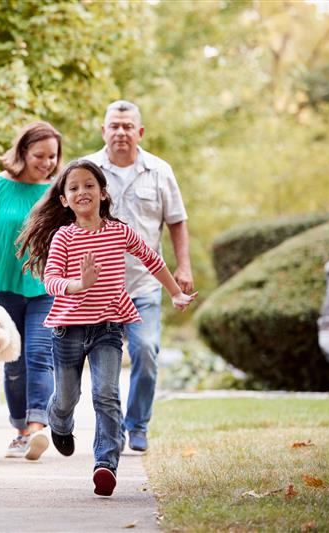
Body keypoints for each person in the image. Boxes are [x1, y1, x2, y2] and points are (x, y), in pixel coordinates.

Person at [16, 159, 196, 496]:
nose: (82, 191)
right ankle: (59, 423)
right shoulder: (63, 237)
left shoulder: (119, 231)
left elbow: (152, 259)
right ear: (64, 200)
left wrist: (175, 293)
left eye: (89, 185)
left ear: (102, 192)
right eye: (74, 188)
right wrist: (78, 284)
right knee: (67, 397)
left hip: (108, 328)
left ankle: (105, 464)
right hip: (68, 329)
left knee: (106, 394)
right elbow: (51, 279)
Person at [83, 100, 193, 453]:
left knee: (146, 350)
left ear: (140, 132)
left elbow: (176, 220)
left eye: (127, 126)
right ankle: (110, 432)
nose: (120, 132)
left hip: (145, 284)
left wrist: (183, 266)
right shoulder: (87, 171)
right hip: (99, 289)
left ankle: (138, 424)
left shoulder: (160, 171)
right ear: (103, 131)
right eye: (114, 125)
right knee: (104, 367)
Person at [0, 121, 63, 460]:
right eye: (40, 155)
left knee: (38, 354)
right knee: (13, 362)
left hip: (44, 286)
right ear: (22, 152)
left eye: (53, 156)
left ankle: (37, 428)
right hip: (2, 288)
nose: (47, 163)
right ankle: (20, 429)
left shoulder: (55, 192)